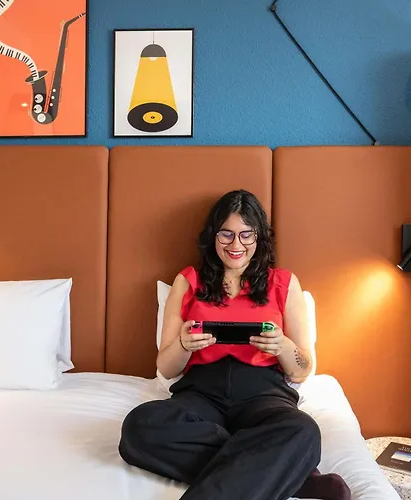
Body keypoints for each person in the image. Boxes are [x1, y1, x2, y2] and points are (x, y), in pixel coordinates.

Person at [118, 190, 350, 500]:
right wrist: (184, 344)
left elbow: (302, 369)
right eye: (226, 234)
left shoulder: (283, 283)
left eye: (246, 234)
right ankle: (291, 475)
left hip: (263, 393)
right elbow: (166, 367)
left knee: (304, 431)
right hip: (201, 394)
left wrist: (281, 345)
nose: (236, 244)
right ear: (213, 236)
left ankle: (271, 462)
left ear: (259, 236)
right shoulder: (188, 281)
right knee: (139, 427)